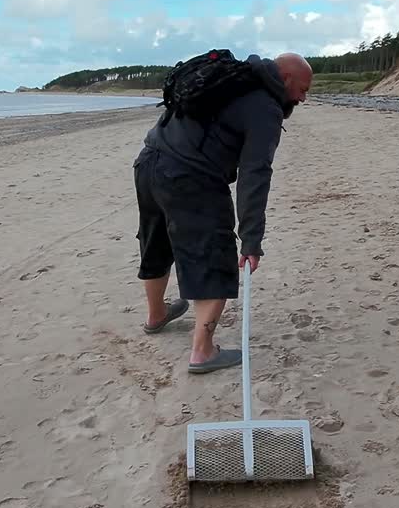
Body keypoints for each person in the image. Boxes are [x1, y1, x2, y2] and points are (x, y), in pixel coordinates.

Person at [132, 51, 312, 373]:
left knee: (156, 241)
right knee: (214, 255)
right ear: (285, 80)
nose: (303, 98)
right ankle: (203, 352)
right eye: (302, 89)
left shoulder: (230, 78)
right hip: (191, 175)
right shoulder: (266, 107)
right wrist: (251, 241)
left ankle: (156, 315)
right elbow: (255, 174)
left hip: (148, 162)